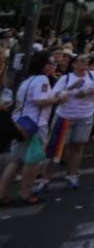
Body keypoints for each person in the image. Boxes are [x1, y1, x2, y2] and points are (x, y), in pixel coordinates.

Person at [0, 52, 60, 205]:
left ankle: (2, 193)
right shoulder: (42, 79)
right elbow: (40, 101)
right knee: (32, 161)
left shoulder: (26, 80)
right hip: (35, 124)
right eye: (50, 63)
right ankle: (26, 193)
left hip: (20, 121)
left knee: (16, 161)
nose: (53, 66)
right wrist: (58, 99)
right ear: (42, 65)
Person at [50, 53, 94, 188]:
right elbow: (56, 94)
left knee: (78, 145)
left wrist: (88, 92)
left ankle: (72, 174)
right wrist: (71, 88)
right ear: (74, 64)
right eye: (82, 60)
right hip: (65, 117)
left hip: (85, 116)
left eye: (86, 60)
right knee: (57, 148)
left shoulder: (93, 75)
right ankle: (45, 179)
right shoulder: (66, 78)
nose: (86, 61)